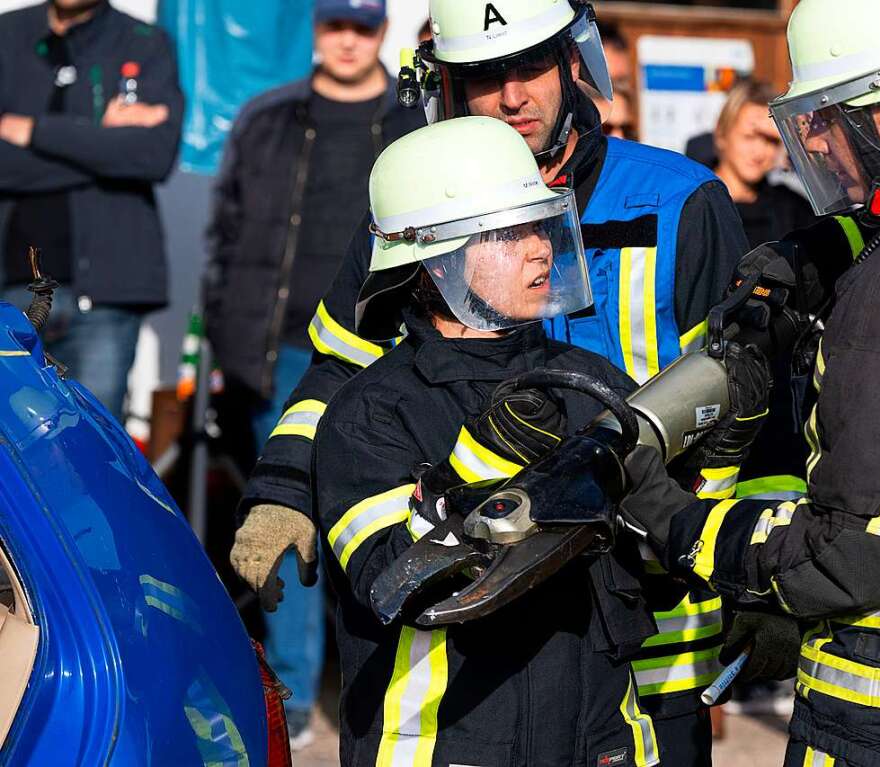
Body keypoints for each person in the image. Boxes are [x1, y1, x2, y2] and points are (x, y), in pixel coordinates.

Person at [231, 1, 750, 762]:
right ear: (442, 85)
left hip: (647, 628)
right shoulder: (420, 202)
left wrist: (745, 570)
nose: (511, 98)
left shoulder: (681, 201)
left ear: (575, 62)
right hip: (477, 659)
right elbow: (341, 369)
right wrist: (281, 485)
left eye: (530, 66)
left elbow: (741, 398)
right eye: (482, 77)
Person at [621, 1, 880, 764]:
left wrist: (679, 521)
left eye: (825, 117)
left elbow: (850, 549)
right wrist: (817, 251)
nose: (808, 141)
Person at [315, 115, 661, 766]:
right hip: (444, 747)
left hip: (595, 744)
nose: (539, 249)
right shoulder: (371, 414)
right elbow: (394, 584)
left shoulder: (589, 384)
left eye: (540, 224)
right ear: (435, 257)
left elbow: (658, 566)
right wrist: (487, 459)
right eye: (508, 232)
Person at [205, 0, 422, 748]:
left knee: (379, 518)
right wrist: (221, 343)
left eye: (362, 27)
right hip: (285, 350)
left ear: (380, 33)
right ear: (316, 30)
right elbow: (224, 232)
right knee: (285, 513)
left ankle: (375, 682)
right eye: (335, 24)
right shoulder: (267, 117)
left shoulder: (411, 122)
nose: (347, 40)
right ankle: (293, 695)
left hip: (387, 345)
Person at [0, 0, 183, 419]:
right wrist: (101, 141)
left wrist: (31, 130)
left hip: (106, 295)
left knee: (93, 452)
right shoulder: (8, 35)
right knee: (11, 454)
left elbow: (152, 156)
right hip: (11, 292)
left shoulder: (146, 44)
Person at [713, 78, 817, 246]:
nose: (759, 152)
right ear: (722, 133)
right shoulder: (696, 203)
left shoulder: (793, 211)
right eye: (750, 137)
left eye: (771, 141)